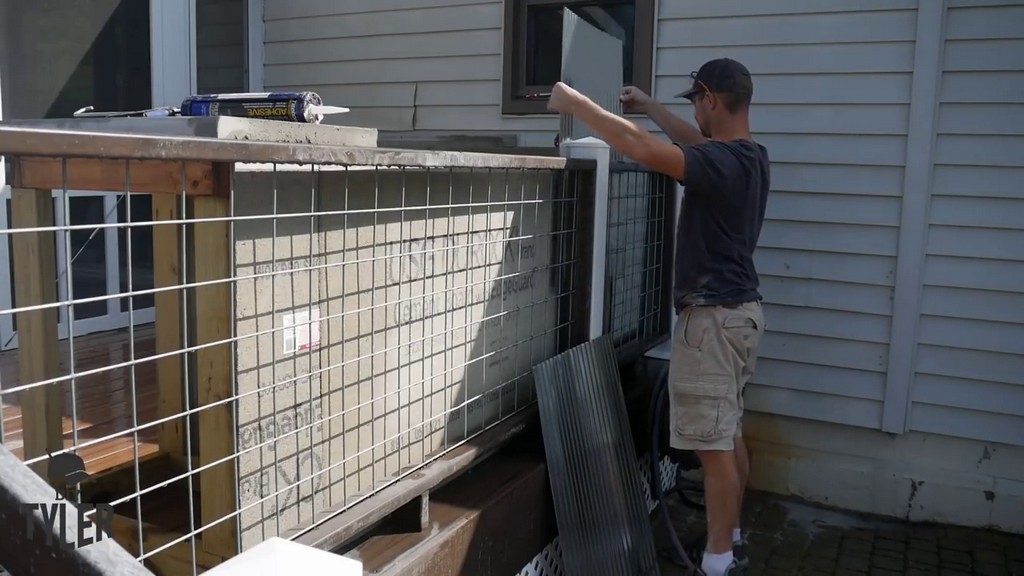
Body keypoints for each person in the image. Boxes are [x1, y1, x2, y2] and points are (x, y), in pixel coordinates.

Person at [546, 57, 769, 576]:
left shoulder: (721, 163)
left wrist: (577, 105)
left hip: (713, 322)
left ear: (711, 98)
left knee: (712, 449)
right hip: (741, 316)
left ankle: (717, 564)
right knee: (728, 435)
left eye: (696, 101)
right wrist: (649, 105)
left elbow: (646, 150)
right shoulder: (750, 157)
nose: (695, 113)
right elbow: (694, 142)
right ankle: (730, 540)